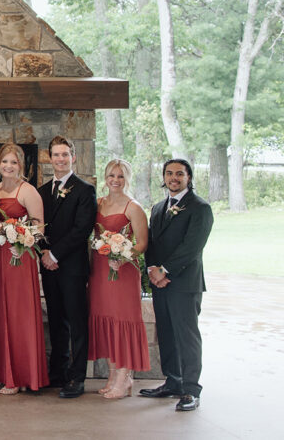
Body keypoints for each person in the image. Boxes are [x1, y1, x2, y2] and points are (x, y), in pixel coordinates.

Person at [140, 159, 213, 412]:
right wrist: (151, 269)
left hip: (184, 284)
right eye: (169, 173)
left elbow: (192, 248)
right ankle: (173, 382)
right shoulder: (159, 207)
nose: (174, 178)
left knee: (187, 337)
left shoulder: (200, 208)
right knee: (167, 335)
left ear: (189, 177)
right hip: (161, 283)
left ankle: (191, 390)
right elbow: (150, 242)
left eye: (179, 174)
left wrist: (165, 270)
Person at [0, 143, 49, 395]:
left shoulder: (28, 191)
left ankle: (21, 375)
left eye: (14, 162)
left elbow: (39, 228)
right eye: (5, 162)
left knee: (17, 314)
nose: (8, 167)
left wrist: (20, 239)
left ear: (20, 166)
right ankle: (1, 372)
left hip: (18, 259)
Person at [37, 135, 97, 399]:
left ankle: (76, 377)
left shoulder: (85, 190)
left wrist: (56, 254)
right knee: (57, 321)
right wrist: (44, 253)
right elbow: (35, 228)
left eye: (65, 154)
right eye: (56, 155)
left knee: (76, 322)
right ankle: (58, 371)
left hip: (71, 267)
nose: (60, 159)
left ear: (73, 157)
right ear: (49, 159)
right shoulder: (41, 191)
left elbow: (81, 229)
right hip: (49, 266)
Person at [88, 159, 150, 399]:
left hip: (122, 272)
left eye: (121, 176)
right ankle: (114, 375)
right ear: (105, 177)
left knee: (122, 321)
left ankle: (124, 378)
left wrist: (124, 257)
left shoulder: (133, 207)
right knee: (106, 320)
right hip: (100, 271)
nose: (115, 180)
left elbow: (142, 243)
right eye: (112, 175)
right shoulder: (98, 203)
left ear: (127, 179)